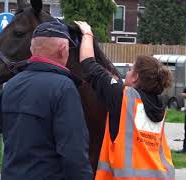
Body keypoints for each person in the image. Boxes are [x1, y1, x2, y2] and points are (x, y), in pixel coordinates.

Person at [0, 20, 93, 180]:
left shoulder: (10, 85)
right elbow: (73, 151)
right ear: (63, 50)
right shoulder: (64, 88)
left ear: (32, 49)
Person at [74, 21, 175, 180]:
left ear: (135, 78)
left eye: (130, 69)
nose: (127, 71)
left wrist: (87, 33)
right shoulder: (157, 105)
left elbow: (88, 65)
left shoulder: (122, 97)